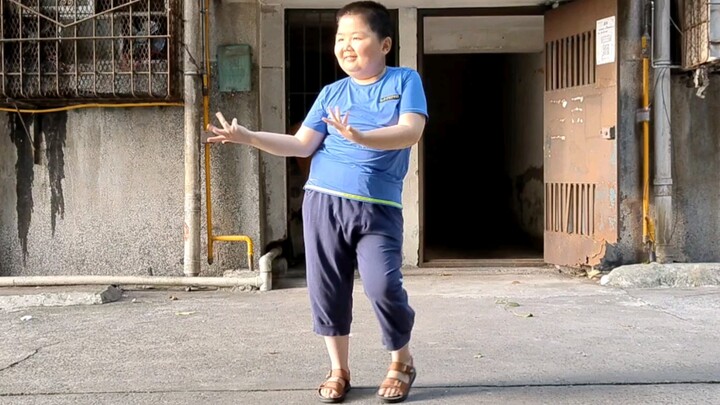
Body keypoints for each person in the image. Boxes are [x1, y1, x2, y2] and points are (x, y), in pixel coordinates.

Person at [206, 2, 427, 403]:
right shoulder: (331, 93)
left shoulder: (404, 81)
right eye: (340, 38)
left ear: (385, 44)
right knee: (326, 289)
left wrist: (361, 137)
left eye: (357, 37)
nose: (346, 46)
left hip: (378, 207)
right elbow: (301, 145)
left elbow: (410, 132)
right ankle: (339, 369)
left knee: (383, 287)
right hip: (324, 202)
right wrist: (250, 137)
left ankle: (401, 361)